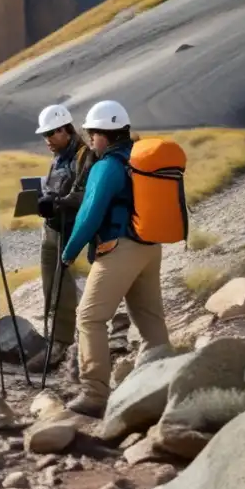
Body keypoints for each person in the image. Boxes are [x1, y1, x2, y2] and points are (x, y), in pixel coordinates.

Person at [60, 100, 171, 418]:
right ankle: (162, 385)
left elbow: (89, 215)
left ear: (103, 135)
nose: (90, 140)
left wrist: (69, 253)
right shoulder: (137, 159)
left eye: (92, 134)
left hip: (119, 248)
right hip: (150, 247)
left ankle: (94, 394)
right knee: (151, 321)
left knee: (90, 318)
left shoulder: (106, 167)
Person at [26, 104, 97, 374]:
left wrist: (56, 202)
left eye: (50, 134)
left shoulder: (84, 156)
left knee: (63, 288)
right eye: (44, 135)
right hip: (52, 230)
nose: (46, 140)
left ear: (64, 129)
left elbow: (85, 194)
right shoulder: (58, 157)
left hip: (70, 230)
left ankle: (62, 344)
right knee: (50, 287)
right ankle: (56, 340)